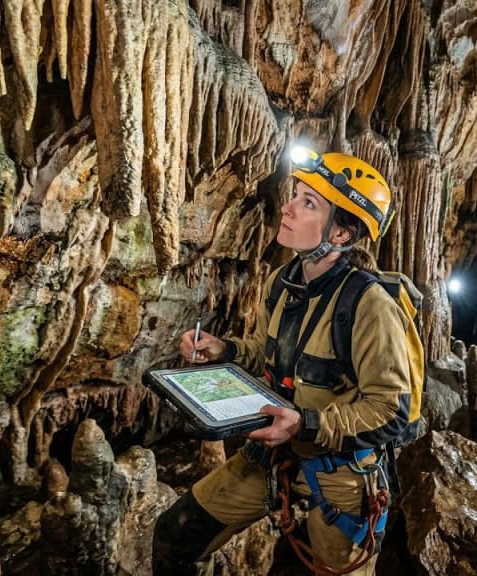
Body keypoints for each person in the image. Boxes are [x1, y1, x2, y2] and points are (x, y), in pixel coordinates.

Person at [152, 150, 410, 576]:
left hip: (339, 473)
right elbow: (265, 351)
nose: (287, 208)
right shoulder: (282, 283)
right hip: (274, 455)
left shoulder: (370, 305)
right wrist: (225, 350)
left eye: (308, 203)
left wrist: (305, 424)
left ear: (340, 233)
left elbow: (390, 411)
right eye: (296, 195)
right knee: (176, 534)